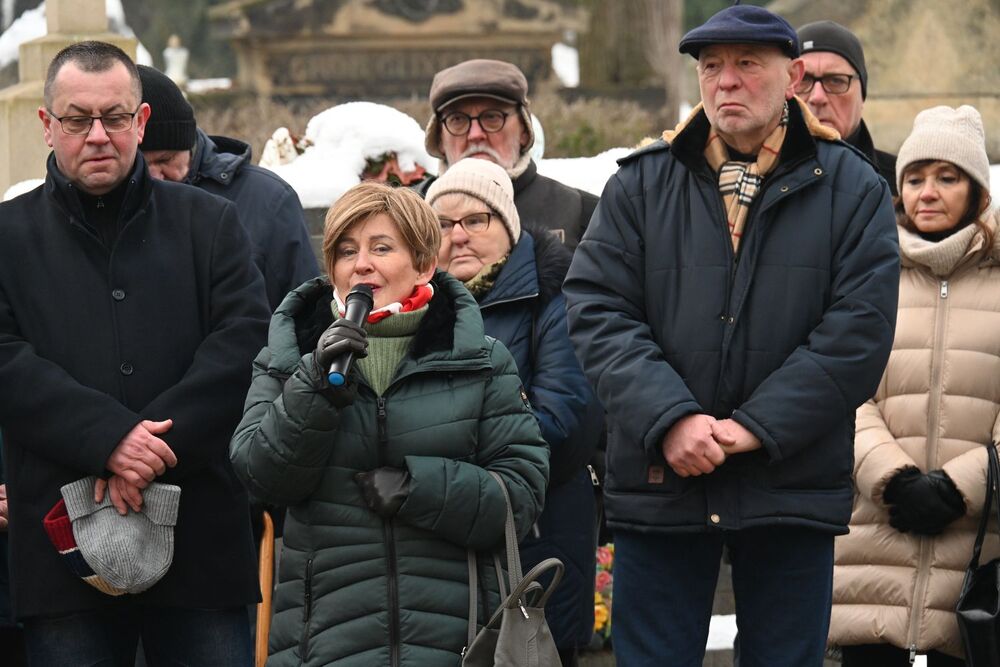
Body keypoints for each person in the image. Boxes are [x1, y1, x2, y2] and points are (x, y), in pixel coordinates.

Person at [562, 5, 900, 666]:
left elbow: (857, 333)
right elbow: (598, 308)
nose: (726, 81)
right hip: (662, 481)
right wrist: (673, 418)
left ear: (792, 75)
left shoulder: (853, 189)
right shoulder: (639, 184)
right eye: (712, 66)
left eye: (748, 64)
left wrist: (751, 428)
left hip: (787, 479)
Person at [0, 41, 269, 665]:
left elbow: (244, 342)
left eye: (115, 118)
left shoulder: (213, 224)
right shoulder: (7, 238)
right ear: (48, 126)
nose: (98, 135)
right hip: (64, 552)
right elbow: (6, 361)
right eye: (76, 119)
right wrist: (109, 439)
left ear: (140, 122)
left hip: (200, 538)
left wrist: (149, 448)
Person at [229, 182, 549, 666]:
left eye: (382, 247)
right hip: (325, 640)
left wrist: (420, 489)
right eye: (346, 251)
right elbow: (260, 476)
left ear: (423, 263)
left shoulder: (481, 360)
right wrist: (315, 387)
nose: (361, 264)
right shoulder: (290, 356)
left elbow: (520, 494)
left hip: (457, 639)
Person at [829, 105, 1000, 667]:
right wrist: (895, 480)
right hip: (877, 537)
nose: (928, 192)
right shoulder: (865, 271)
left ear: (977, 190)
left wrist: (959, 488)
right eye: (915, 178)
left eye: (948, 177)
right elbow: (843, 389)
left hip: (977, 548)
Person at [426, 158, 601, 666]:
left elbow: (563, 424)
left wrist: (442, 443)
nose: (457, 236)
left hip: (535, 540)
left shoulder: (556, 299)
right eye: (441, 223)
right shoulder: (422, 306)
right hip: (442, 551)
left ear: (508, 225)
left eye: (475, 220)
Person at [137, 64, 319, 310]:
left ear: (189, 145)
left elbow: (304, 310)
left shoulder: (268, 200)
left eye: (166, 160)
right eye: (140, 164)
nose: (155, 176)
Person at [416, 58, 598, 250]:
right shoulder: (405, 216)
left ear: (525, 131)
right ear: (439, 139)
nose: (476, 134)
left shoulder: (583, 213)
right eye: (458, 120)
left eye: (492, 117)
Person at [796, 20, 898, 194]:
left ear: (862, 95)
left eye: (836, 81)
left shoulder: (902, 184)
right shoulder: (752, 180)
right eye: (803, 81)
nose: (817, 97)